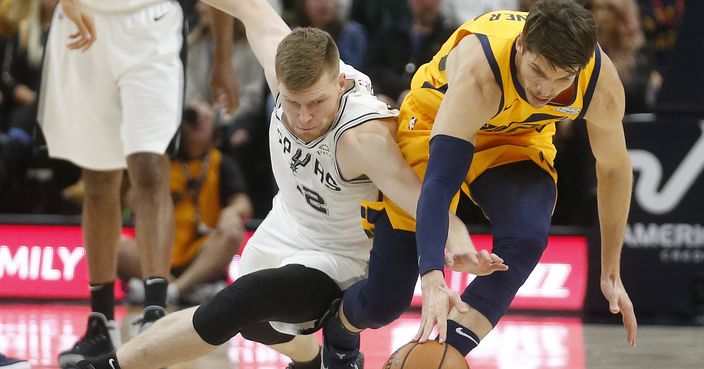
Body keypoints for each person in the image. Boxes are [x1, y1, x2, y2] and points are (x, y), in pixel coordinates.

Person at [62, 0, 506, 368]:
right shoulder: (284, 67)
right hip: (283, 229)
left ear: (342, 82)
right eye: (292, 104)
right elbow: (249, 8)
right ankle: (318, 363)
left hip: (338, 259)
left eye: (316, 103)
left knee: (239, 301)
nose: (304, 118)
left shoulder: (363, 136)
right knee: (256, 322)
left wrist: (459, 245)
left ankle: (107, 366)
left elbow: (422, 198)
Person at [321, 0, 639, 364]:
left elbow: (614, 169)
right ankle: (340, 328)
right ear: (521, 45)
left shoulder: (600, 83)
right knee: (385, 301)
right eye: (538, 70)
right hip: (435, 120)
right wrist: (433, 277)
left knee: (527, 237)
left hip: (514, 135)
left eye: (563, 78)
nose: (546, 89)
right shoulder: (480, 73)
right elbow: (440, 184)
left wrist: (611, 271)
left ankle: (446, 350)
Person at [37, 0, 238, 367]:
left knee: (149, 166)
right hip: (84, 22)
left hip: (152, 22)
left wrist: (222, 57)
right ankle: (100, 322)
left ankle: (155, 311)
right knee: (98, 176)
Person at [118, 101, 253, 306]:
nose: (198, 122)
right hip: (156, 250)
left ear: (216, 129)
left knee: (233, 232)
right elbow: (132, 202)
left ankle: (171, 289)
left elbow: (243, 203)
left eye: (206, 119)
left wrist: (231, 212)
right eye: (192, 117)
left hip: (199, 252)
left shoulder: (221, 162)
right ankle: (179, 288)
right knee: (116, 245)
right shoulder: (161, 161)